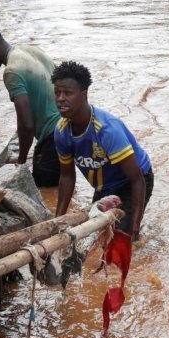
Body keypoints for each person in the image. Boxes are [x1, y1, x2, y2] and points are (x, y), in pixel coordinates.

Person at [52, 61, 153, 240]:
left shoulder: (107, 130)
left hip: (133, 181)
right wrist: (57, 222)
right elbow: (67, 176)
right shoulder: (61, 131)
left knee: (122, 238)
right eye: (57, 93)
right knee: (97, 234)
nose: (60, 98)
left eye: (67, 93)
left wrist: (134, 228)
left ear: (83, 95)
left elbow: (137, 179)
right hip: (104, 186)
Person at [0, 25, 61, 187]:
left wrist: (22, 158)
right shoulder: (30, 51)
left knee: (44, 189)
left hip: (52, 136)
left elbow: (26, 124)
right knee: (64, 179)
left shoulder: (12, 72)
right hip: (70, 127)